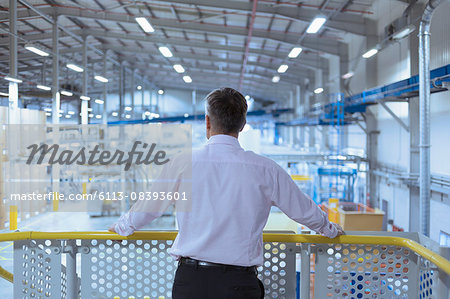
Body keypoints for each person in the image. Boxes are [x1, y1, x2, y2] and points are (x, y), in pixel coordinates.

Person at [109, 87, 344, 299]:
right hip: (239, 284)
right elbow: (302, 210)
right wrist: (329, 228)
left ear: (207, 122)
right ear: (242, 125)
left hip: (191, 282)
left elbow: (149, 208)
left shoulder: (182, 163)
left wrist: (123, 226)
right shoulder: (266, 169)